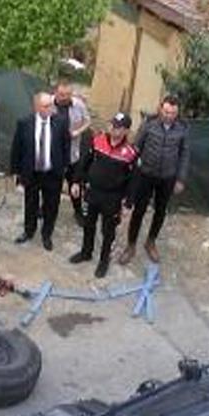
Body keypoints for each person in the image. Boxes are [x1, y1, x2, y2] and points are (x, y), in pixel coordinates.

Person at [121, 95, 190, 265]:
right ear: (160, 108)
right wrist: (128, 169)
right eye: (166, 112)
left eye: (173, 113)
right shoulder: (149, 124)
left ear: (177, 113)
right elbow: (136, 146)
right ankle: (131, 245)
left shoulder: (183, 128)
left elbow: (185, 154)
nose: (169, 116)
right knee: (139, 211)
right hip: (146, 175)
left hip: (167, 177)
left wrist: (180, 178)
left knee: (160, 211)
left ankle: (151, 242)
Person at [69, 112, 138, 278]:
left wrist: (128, 204)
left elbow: (134, 181)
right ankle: (86, 252)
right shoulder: (97, 141)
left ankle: (103, 260)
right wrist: (76, 181)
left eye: (119, 127)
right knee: (88, 224)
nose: (114, 129)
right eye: (113, 125)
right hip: (93, 192)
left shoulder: (130, 153)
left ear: (126, 131)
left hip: (112, 198)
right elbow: (84, 163)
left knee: (108, 231)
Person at [10, 92, 71, 250]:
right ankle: (29, 231)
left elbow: (66, 147)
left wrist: (64, 169)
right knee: (31, 203)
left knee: (51, 206)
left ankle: (46, 235)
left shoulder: (61, 122)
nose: (50, 109)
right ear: (36, 107)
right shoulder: (24, 123)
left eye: (51, 105)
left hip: (52, 173)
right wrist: (16, 171)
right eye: (46, 106)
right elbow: (17, 148)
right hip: (32, 172)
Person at [53, 80, 91, 226]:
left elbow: (87, 122)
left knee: (75, 185)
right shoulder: (49, 104)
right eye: (62, 94)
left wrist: (77, 132)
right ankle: (46, 209)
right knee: (51, 184)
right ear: (56, 92)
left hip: (72, 153)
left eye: (68, 94)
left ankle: (78, 211)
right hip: (54, 153)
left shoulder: (78, 105)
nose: (65, 97)